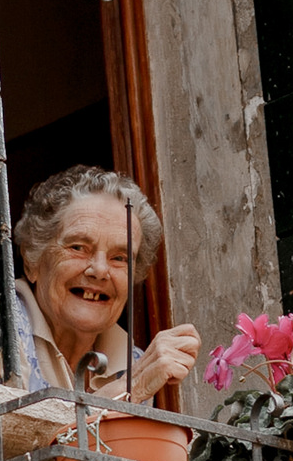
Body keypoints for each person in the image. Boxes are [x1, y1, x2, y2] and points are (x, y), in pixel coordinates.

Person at [12, 166, 199, 401]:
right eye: (78, 247)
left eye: (119, 258)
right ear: (32, 260)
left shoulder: (135, 363)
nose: (100, 270)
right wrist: (130, 389)